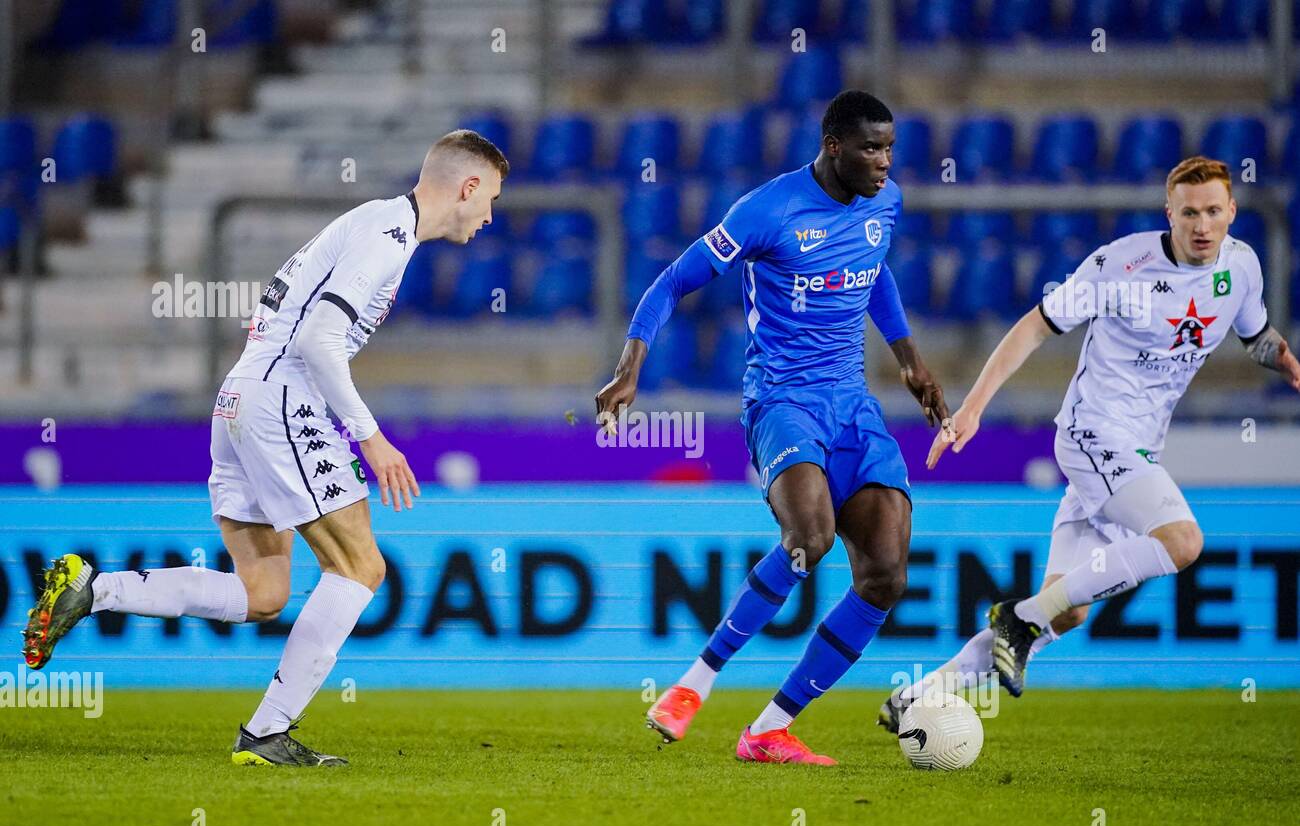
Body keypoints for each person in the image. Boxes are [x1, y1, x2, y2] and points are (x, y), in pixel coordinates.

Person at [21, 130, 509, 766]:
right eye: (491, 198)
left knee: (263, 591)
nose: (491, 215)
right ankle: (265, 734)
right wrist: (372, 438)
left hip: (241, 398)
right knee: (361, 568)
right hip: (283, 400)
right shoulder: (387, 237)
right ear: (467, 187)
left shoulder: (379, 225)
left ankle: (96, 589)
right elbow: (318, 340)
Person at [880, 155, 1300, 731]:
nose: (1201, 226)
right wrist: (974, 406)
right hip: (1091, 434)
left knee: (1068, 607)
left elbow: (1255, 335)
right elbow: (1034, 325)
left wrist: (1287, 363)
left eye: (1212, 212)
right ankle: (1019, 619)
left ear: (1231, 211)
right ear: (1168, 213)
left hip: (1138, 451)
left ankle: (920, 695)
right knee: (1182, 541)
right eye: (1188, 213)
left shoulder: (1243, 268)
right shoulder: (1120, 264)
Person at [597, 91, 950, 765]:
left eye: (890, 149)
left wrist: (911, 362)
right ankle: (693, 685)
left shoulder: (887, 202)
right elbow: (673, 281)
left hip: (854, 403)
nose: (884, 163)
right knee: (809, 539)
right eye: (871, 149)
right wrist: (629, 367)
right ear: (833, 144)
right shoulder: (769, 210)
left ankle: (769, 729)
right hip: (782, 399)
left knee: (886, 574)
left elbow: (876, 277)